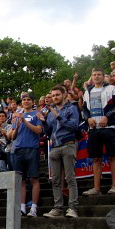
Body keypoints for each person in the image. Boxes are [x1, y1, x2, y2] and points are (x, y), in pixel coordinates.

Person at [37, 85, 80, 218]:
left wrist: (59, 116)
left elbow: (73, 126)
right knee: (55, 180)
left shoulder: (71, 108)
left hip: (68, 145)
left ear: (64, 95)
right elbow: (48, 132)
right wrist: (44, 122)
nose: (55, 98)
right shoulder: (50, 112)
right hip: (54, 147)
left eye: (57, 95)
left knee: (70, 178)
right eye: (53, 95)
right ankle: (58, 208)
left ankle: (73, 208)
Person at [82, 68, 115, 195]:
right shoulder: (88, 91)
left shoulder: (111, 89)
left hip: (109, 127)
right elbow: (84, 109)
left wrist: (107, 116)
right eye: (94, 75)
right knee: (96, 158)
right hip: (94, 128)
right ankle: (96, 188)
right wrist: (88, 118)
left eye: (99, 75)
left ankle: (114, 186)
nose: (96, 77)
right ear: (91, 77)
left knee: (113, 156)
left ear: (103, 76)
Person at [11, 93, 43, 217]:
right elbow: (13, 136)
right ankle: (22, 206)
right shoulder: (18, 116)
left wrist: (24, 121)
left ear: (32, 102)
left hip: (32, 148)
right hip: (19, 149)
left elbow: (39, 130)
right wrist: (18, 126)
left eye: (28, 99)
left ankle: (33, 207)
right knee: (21, 180)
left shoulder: (36, 114)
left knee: (34, 178)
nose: (26, 101)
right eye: (24, 100)